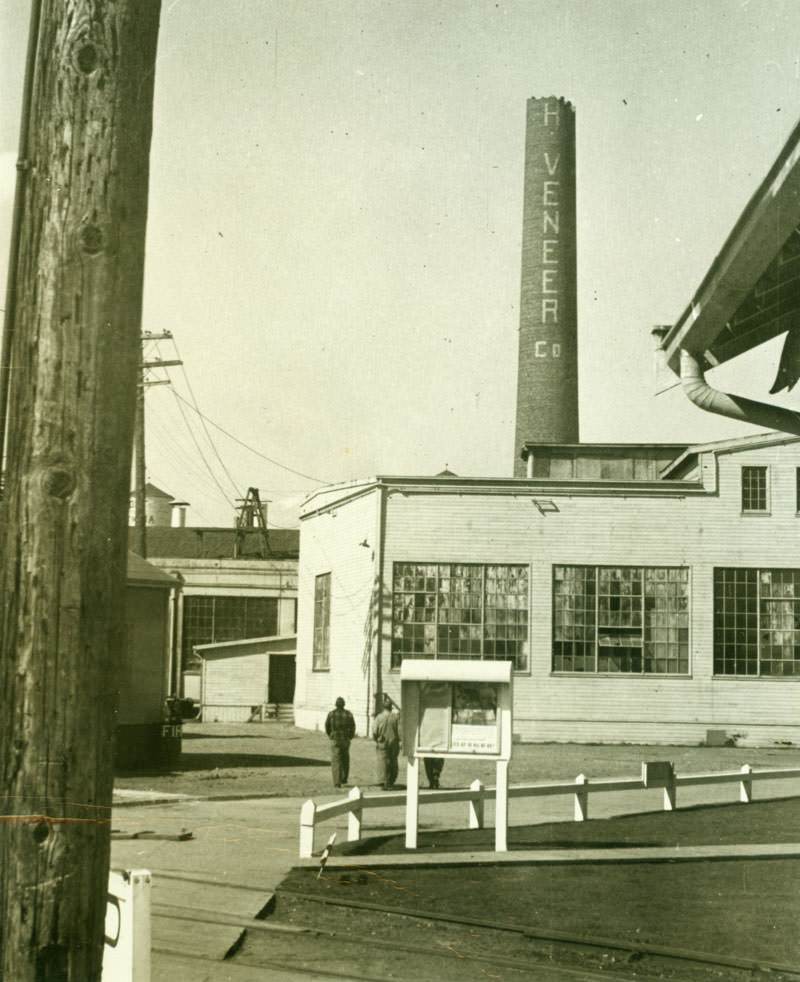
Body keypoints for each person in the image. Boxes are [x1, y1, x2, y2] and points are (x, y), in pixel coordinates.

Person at [324, 696, 356, 788]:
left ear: (336, 705)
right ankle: (343, 778)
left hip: (335, 739)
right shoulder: (349, 714)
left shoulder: (331, 714)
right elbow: (353, 727)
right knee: (345, 759)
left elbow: (327, 726)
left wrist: (330, 735)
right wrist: (350, 737)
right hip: (345, 739)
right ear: (344, 705)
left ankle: (337, 782)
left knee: (336, 760)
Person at [372, 694, 401, 790]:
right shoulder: (396, 717)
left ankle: (384, 781)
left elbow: (374, 731)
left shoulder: (379, 717)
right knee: (393, 761)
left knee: (383, 762)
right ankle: (391, 780)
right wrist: (400, 741)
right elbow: (400, 731)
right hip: (394, 742)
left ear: (383, 707)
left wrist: (376, 739)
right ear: (391, 708)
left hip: (382, 742)